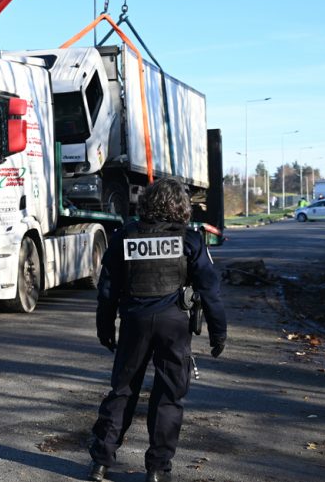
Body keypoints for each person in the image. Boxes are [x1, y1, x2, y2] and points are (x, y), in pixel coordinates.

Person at [88, 178, 227, 482]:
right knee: (168, 396)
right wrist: (219, 333)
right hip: (174, 324)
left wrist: (105, 326)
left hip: (135, 322)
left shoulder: (126, 236)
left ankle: (101, 462)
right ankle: (157, 469)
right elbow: (210, 290)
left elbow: (107, 288)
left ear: (148, 202)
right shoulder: (190, 240)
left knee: (122, 391)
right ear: (182, 207)